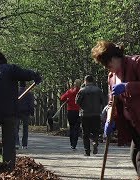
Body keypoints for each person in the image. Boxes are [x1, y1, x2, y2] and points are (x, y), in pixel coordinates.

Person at [91, 40, 140, 175]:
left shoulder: (135, 63)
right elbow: (112, 101)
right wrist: (109, 119)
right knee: (134, 156)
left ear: (114, 58)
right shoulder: (111, 77)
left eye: (107, 64)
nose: (107, 68)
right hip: (134, 125)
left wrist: (127, 86)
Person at [75, 75, 105, 156]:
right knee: (96, 131)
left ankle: (87, 151)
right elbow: (103, 101)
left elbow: (77, 102)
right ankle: (95, 142)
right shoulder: (98, 90)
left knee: (85, 133)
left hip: (85, 114)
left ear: (85, 81)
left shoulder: (82, 90)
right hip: (96, 114)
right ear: (93, 80)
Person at [60, 79, 81, 150]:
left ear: (74, 84)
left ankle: (72, 144)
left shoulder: (69, 91)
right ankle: (75, 143)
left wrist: (68, 99)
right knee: (77, 128)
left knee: (71, 128)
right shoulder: (81, 91)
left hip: (70, 111)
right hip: (78, 111)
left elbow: (62, 98)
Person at [15, 81, 34, 149]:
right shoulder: (30, 93)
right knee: (25, 129)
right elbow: (31, 105)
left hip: (16, 112)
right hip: (26, 113)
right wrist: (32, 114)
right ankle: (24, 144)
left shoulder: (15, 92)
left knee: (16, 128)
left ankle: (16, 143)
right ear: (25, 86)